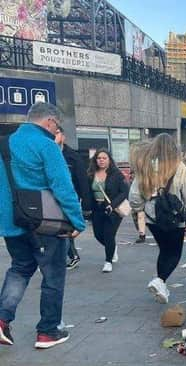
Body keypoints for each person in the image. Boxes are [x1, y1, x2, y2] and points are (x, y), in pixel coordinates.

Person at [0, 102, 85, 349]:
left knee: (20, 268)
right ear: (49, 121)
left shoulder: (4, 143)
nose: (55, 131)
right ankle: (48, 331)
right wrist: (77, 221)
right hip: (45, 223)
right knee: (53, 275)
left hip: (12, 222)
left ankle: (2, 319)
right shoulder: (46, 145)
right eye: (56, 126)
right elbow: (62, 186)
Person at [129, 133, 186, 304]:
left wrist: (139, 210)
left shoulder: (145, 165)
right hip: (174, 217)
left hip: (153, 218)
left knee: (164, 250)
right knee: (175, 253)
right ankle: (160, 280)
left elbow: (134, 195)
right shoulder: (178, 166)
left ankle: (161, 284)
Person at [86, 149, 129, 273]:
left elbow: (124, 192)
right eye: (99, 158)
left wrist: (112, 204)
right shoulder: (90, 173)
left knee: (109, 235)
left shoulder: (116, 174)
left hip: (113, 209)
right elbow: (87, 191)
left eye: (104, 158)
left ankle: (108, 261)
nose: (101, 160)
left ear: (109, 159)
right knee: (98, 235)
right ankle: (112, 248)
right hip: (97, 208)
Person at [54, 127, 90, 270]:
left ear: (63, 137)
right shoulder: (45, 154)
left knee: (65, 229)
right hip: (49, 199)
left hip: (69, 199)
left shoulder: (73, 157)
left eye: (57, 133)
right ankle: (71, 255)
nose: (53, 136)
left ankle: (72, 256)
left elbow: (82, 181)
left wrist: (86, 206)